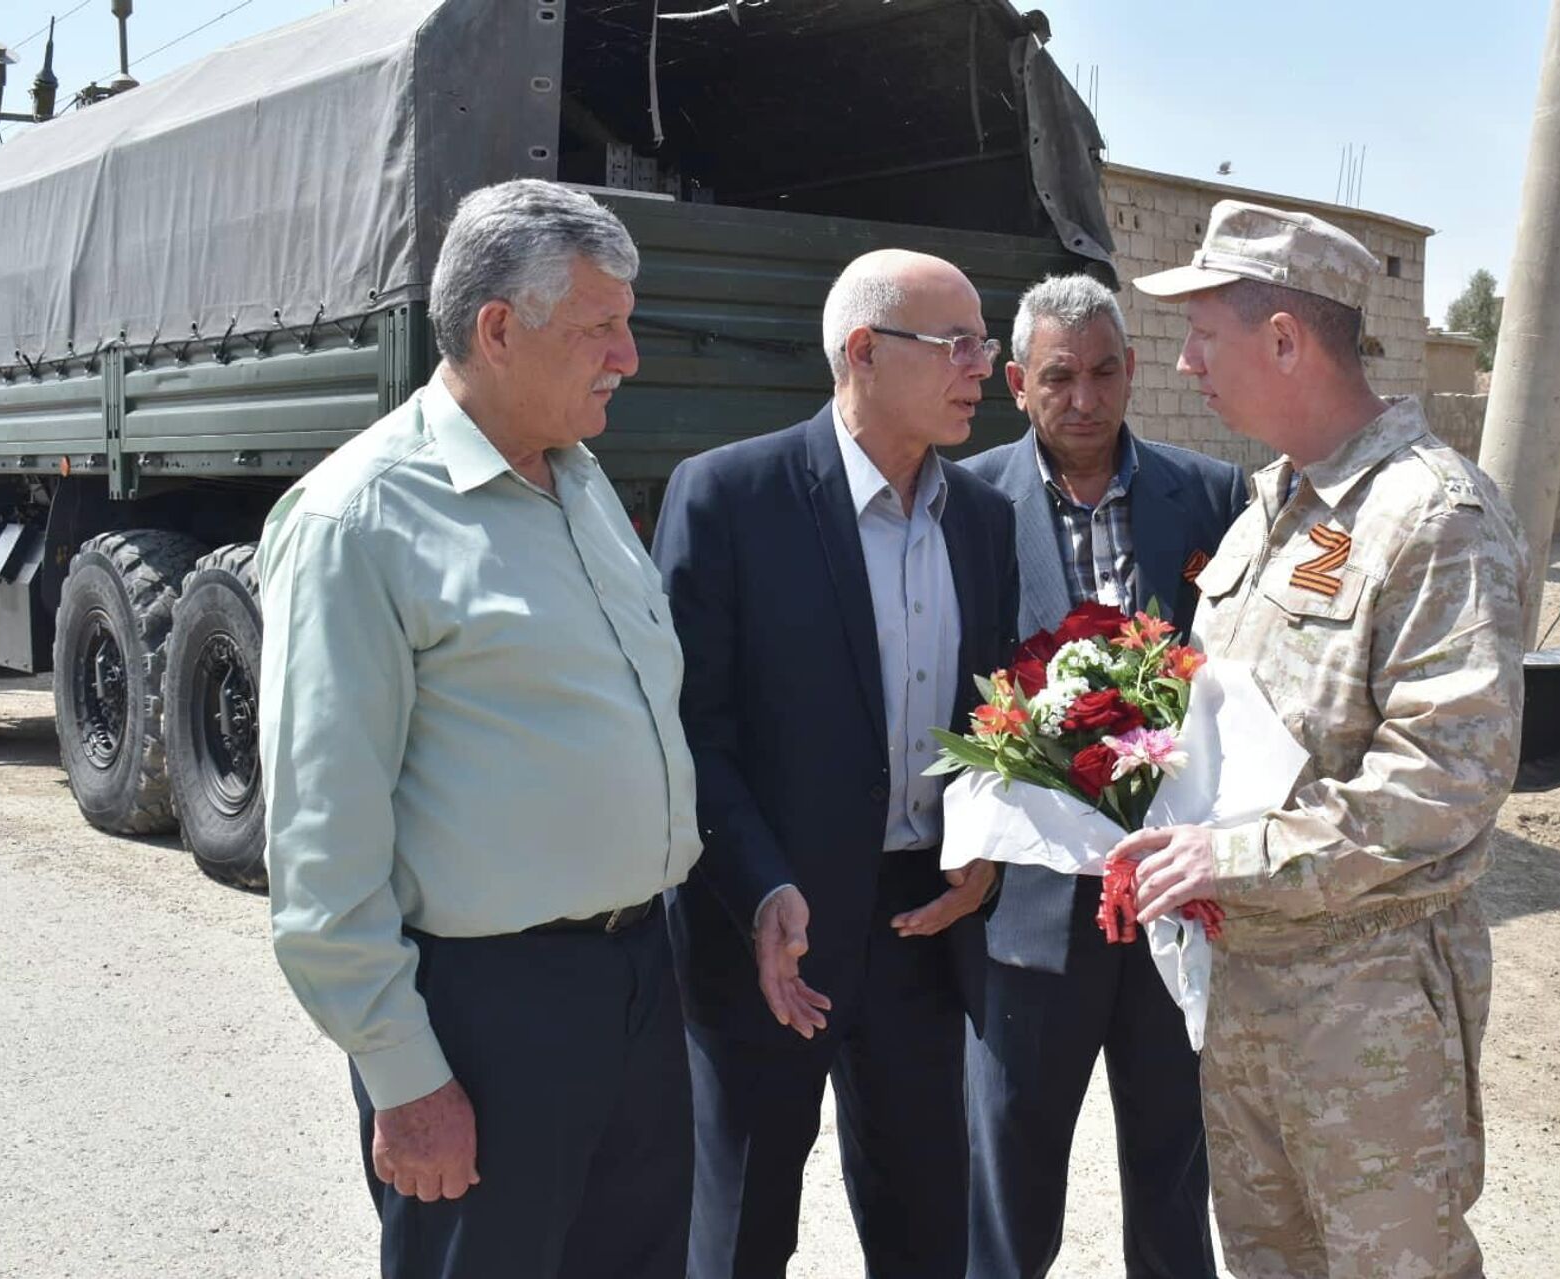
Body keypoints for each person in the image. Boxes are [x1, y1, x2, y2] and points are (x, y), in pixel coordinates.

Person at [258, 179, 699, 1279]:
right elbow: (322, 842)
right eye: (601, 327)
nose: (629, 356)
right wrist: (405, 1075)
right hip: (486, 1014)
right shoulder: (360, 520)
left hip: (638, 976)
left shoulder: (579, 481)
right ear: (499, 329)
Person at [1112, 200, 1529, 1279]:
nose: (1187, 362)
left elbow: (1448, 777)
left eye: (1203, 333)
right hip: (1245, 983)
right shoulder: (1273, 506)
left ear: (1286, 338)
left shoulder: (1434, 516)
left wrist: (1231, 855)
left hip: (1366, 998)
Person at [652, 249, 1019, 1279]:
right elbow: (690, 727)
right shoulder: (729, 496)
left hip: (922, 926)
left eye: (983, 343)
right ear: (862, 350)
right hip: (770, 929)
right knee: (740, 1234)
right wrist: (761, 887)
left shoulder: (981, 517)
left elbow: (995, 713)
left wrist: (985, 849)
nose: (981, 367)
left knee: (927, 1230)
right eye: (956, 343)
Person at [959, 273, 1242, 1279]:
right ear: (1016, 383)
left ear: (1132, 372)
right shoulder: (964, 502)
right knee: (1010, 1169)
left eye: (1105, 372)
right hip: (1030, 909)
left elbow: (1241, 680)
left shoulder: (1211, 495)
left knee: (1174, 1166)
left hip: (1174, 897)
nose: (1085, 398)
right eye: (1058, 377)